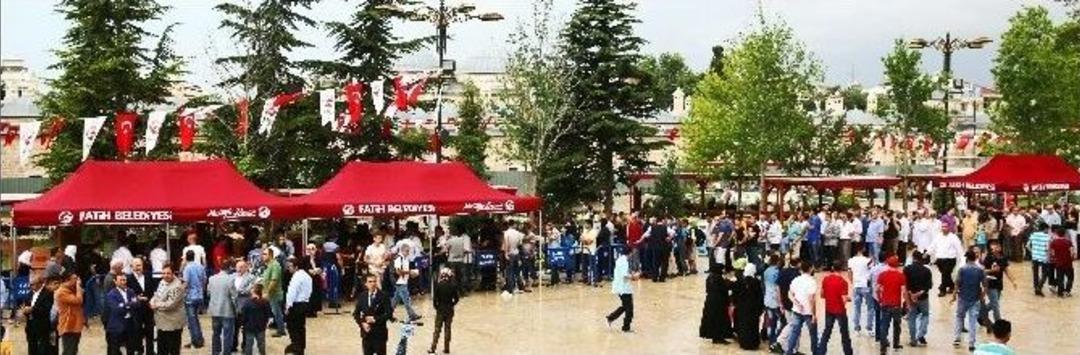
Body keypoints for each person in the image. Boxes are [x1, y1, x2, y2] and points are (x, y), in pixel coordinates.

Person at [952, 251, 986, 351]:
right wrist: (982, 296)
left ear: (966, 258)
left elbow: (957, 283)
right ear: (975, 258)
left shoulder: (962, 269)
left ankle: (957, 338)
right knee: (972, 321)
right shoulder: (980, 270)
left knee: (959, 317)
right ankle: (971, 343)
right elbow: (985, 285)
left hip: (962, 297)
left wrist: (954, 295)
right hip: (975, 298)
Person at [150, 263, 186, 355]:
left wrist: (156, 305)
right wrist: (152, 301)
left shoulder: (177, 286)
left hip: (172, 323)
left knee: (173, 349)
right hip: (161, 322)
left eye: (168, 273)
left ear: (173, 273)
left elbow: (171, 304)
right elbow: (157, 294)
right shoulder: (162, 281)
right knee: (162, 348)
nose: (165, 275)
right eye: (164, 273)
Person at [817, 261, 852, 355]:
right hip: (840, 310)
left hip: (829, 309)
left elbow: (821, 295)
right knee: (844, 334)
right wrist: (848, 298)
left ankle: (820, 352)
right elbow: (843, 299)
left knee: (827, 332)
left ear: (832, 267)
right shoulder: (843, 282)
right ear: (841, 269)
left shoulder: (825, 279)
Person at [785, 260, 818, 355]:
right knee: (813, 335)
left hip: (796, 310)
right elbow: (811, 299)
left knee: (794, 333)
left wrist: (795, 302)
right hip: (808, 312)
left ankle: (789, 352)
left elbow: (790, 293)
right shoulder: (812, 281)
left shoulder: (796, 280)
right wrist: (813, 314)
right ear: (810, 268)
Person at [126, 257, 158, 355]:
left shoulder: (148, 275)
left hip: (149, 308)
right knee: (137, 331)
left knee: (150, 330)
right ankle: (139, 351)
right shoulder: (128, 279)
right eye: (135, 265)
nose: (137, 267)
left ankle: (150, 351)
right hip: (136, 309)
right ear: (131, 267)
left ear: (142, 266)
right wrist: (137, 298)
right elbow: (127, 296)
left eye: (139, 265)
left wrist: (153, 300)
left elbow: (153, 291)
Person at [355, 274, 392, 355]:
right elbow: (356, 314)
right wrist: (362, 324)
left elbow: (389, 314)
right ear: (366, 283)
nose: (373, 284)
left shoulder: (384, 296)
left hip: (379, 334)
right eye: (370, 282)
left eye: (374, 281)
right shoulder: (362, 296)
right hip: (366, 334)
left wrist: (375, 319)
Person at [876, 255, 906, 353]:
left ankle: (883, 347)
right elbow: (904, 291)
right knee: (897, 325)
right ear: (897, 265)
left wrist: (880, 299)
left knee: (884, 325)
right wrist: (906, 302)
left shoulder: (882, 275)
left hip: (885, 304)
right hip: (896, 305)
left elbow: (877, 289)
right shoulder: (901, 276)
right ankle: (896, 344)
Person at [981, 242, 1016, 325]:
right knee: (995, 305)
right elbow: (982, 271)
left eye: (998, 246)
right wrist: (992, 271)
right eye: (994, 246)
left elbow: (1007, 270)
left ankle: (979, 313)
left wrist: (1013, 281)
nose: (996, 247)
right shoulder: (988, 258)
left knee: (993, 304)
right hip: (989, 283)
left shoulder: (1003, 258)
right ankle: (999, 324)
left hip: (999, 284)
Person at [208, 259, 238, 355]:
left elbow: (208, 293)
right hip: (227, 311)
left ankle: (215, 352)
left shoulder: (211, 278)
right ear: (229, 268)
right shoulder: (230, 279)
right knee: (227, 335)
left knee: (216, 333)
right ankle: (226, 353)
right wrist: (236, 309)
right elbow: (234, 296)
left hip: (215, 310)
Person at [903, 251, 932, 347]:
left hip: (911, 297)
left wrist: (912, 295)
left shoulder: (907, 269)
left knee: (912, 317)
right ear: (921, 259)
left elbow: (905, 285)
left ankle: (913, 339)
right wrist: (919, 293)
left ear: (913, 258)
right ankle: (921, 334)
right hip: (923, 297)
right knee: (925, 314)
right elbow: (929, 286)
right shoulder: (927, 270)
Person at [606, 247, 638, 333]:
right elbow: (624, 275)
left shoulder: (620, 259)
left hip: (620, 287)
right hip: (624, 288)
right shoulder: (624, 262)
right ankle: (626, 328)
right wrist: (634, 277)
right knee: (629, 309)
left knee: (625, 306)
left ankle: (610, 317)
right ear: (630, 253)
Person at [105, 273, 139, 355]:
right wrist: (130, 304)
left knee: (131, 349)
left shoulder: (131, 291)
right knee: (115, 350)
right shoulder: (111, 294)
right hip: (117, 326)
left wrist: (124, 305)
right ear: (115, 281)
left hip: (130, 325)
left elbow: (137, 304)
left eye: (124, 280)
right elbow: (117, 309)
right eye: (121, 280)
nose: (123, 282)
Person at [428, 268, 460, 355]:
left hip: (440, 310)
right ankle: (447, 349)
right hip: (449, 310)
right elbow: (457, 299)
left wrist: (437, 307)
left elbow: (435, 300)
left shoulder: (438, 285)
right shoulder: (453, 285)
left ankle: (433, 348)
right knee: (448, 329)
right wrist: (452, 304)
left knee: (437, 330)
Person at [733, 263, 764, 350]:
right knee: (753, 326)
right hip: (753, 309)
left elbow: (735, 295)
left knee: (743, 325)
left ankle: (744, 342)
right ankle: (753, 344)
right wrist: (760, 308)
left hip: (742, 308)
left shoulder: (739, 281)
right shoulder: (756, 282)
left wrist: (736, 304)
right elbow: (760, 296)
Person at [285, 257, 312, 355]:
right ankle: (301, 347)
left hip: (296, 305)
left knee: (293, 327)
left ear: (296, 267)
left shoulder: (296, 277)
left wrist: (288, 306)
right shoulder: (307, 276)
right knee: (301, 327)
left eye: (290, 266)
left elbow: (292, 292)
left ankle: (296, 348)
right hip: (305, 303)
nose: (289, 268)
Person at [930, 223, 965, 297]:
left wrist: (962, 258)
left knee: (945, 274)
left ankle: (942, 289)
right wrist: (927, 253)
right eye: (942, 227)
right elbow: (933, 245)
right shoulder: (938, 236)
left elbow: (959, 248)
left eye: (945, 227)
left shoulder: (953, 237)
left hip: (950, 259)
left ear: (949, 228)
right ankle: (952, 286)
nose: (944, 228)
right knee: (946, 274)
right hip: (939, 259)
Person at [25, 276, 56, 355]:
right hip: (30, 324)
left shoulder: (48, 293)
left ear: (40, 284)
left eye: (33, 284)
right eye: (30, 284)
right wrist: (25, 311)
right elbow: (26, 305)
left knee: (43, 348)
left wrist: (32, 309)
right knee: (31, 347)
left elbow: (46, 308)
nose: (31, 286)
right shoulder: (30, 293)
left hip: (42, 324)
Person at [181, 251, 206, 349]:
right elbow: (204, 280)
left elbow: (186, 283)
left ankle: (196, 341)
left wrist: (180, 291)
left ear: (186, 258)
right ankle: (199, 338)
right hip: (199, 295)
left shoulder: (187, 268)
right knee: (196, 319)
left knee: (192, 320)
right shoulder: (200, 267)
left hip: (190, 297)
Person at [390, 244, 421, 321]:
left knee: (395, 299)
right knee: (406, 299)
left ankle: (388, 313)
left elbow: (404, 271)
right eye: (407, 251)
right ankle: (412, 315)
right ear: (402, 250)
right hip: (400, 281)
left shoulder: (405, 259)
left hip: (403, 280)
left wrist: (411, 274)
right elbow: (398, 271)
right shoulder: (398, 258)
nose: (408, 253)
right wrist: (410, 272)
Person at [56, 271, 85, 355]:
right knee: (69, 351)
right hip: (68, 326)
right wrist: (78, 287)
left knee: (73, 350)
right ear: (67, 280)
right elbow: (78, 300)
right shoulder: (62, 292)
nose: (77, 281)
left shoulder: (71, 289)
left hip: (75, 325)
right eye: (75, 279)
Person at [232, 260, 257, 353]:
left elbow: (248, 290)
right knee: (234, 327)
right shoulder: (232, 276)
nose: (239, 269)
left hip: (246, 306)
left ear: (246, 268)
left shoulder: (252, 277)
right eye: (237, 267)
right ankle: (233, 345)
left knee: (246, 328)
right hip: (234, 306)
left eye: (241, 267)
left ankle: (245, 346)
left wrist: (236, 292)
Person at [259, 248, 286, 337]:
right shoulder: (269, 265)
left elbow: (274, 280)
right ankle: (279, 328)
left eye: (265, 254)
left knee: (277, 312)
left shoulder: (275, 265)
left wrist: (267, 292)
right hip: (270, 294)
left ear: (270, 255)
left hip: (274, 294)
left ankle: (281, 330)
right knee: (275, 312)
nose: (262, 256)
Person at [847, 246, 872, 335]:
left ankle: (857, 328)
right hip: (866, 286)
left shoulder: (850, 261)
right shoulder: (868, 260)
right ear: (862, 249)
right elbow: (871, 273)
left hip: (856, 286)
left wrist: (852, 282)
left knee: (857, 308)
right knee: (870, 308)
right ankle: (869, 328)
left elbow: (849, 273)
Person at [241, 284, 271, 355]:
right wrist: (265, 323)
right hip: (261, 327)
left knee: (248, 345)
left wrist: (242, 324)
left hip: (249, 327)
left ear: (253, 291)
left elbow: (244, 315)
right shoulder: (265, 302)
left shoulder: (247, 302)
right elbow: (268, 314)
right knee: (261, 344)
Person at [762, 254, 783, 353]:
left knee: (771, 322)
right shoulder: (777, 272)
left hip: (767, 299)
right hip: (775, 301)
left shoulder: (766, 271)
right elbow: (777, 288)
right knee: (781, 322)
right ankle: (777, 341)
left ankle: (771, 342)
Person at [1026, 223, 1053, 296]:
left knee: (1035, 273)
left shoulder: (1033, 235)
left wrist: (1033, 252)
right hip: (1044, 257)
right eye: (1048, 229)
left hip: (1034, 257)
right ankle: (1039, 286)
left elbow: (1027, 246)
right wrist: (1049, 258)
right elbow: (1048, 249)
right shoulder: (1047, 237)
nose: (1048, 230)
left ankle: (1036, 288)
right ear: (1045, 229)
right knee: (1045, 273)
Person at [1049, 227, 1075, 297]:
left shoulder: (1053, 242)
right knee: (1070, 278)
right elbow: (1072, 253)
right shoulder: (1068, 242)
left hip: (1058, 263)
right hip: (1068, 263)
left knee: (1060, 278)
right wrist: (1072, 258)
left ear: (1057, 234)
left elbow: (1052, 253)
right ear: (1065, 234)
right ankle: (1067, 291)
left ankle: (1060, 293)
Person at [503, 221, 525, 294]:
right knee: (517, 271)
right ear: (514, 225)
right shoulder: (518, 233)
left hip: (510, 254)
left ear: (508, 225)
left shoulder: (506, 233)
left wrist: (506, 253)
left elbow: (506, 244)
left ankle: (511, 288)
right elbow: (519, 243)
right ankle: (520, 287)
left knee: (510, 272)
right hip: (517, 253)